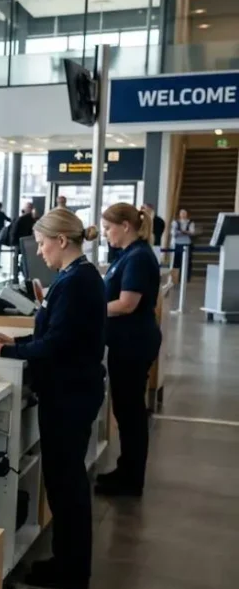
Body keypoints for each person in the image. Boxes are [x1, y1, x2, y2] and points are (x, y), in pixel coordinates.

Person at [0, 209, 106, 589]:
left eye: (43, 243)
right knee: (65, 483)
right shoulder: (76, 277)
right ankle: (68, 562)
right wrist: (15, 342)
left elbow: (59, 344)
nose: (41, 251)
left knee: (66, 485)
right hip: (72, 390)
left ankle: (71, 569)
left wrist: (6, 354)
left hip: (70, 395)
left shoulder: (76, 282)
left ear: (62, 240)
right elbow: (60, 334)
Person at [95, 203, 162, 499]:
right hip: (129, 342)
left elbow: (127, 304)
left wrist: (90, 309)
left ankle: (131, 479)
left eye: (109, 228)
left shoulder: (137, 258)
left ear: (125, 226)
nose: (106, 234)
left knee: (131, 413)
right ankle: (127, 470)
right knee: (126, 411)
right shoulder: (130, 255)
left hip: (133, 344)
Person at [170, 208, 196, 282]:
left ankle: (186, 278)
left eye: (184, 213)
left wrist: (184, 232)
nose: (183, 215)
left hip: (187, 243)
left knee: (187, 262)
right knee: (176, 262)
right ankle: (175, 278)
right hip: (177, 243)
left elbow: (192, 232)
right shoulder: (175, 222)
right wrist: (182, 232)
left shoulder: (190, 222)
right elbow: (173, 233)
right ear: (179, 214)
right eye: (182, 213)